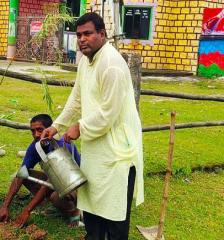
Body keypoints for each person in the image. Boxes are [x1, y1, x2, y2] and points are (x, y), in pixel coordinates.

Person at [41, 12, 144, 240]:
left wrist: (80, 127)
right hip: (96, 149)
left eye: (87, 33)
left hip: (118, 151)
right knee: (93, 205)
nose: (82, 39)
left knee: (115, 213)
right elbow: (76, 99)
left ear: (102, 34)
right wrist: (57, 126)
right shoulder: (85, 63)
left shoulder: (112, 64)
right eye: (78, 35)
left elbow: (108, 113)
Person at [0, 114, 83, 228]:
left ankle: (74, 211)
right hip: (56, 182)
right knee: (24, 175)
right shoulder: (35, 146)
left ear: (49, 130)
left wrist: (27, 210)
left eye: (39, 130)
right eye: (32, 131)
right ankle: (53, 204)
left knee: (55, 197)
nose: (36, 135)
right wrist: (5, 206)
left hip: (76, 185)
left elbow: (48, 183)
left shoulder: (62, 144)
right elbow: (21, 174)